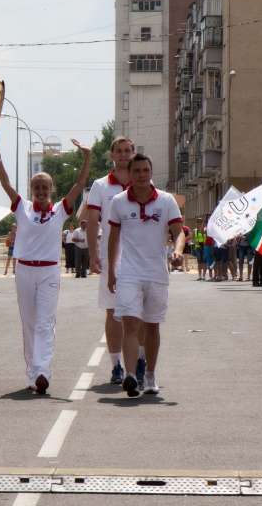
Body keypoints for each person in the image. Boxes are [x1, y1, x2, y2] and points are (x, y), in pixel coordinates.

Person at [0, 138, 91, 394]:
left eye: (45, 187)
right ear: (31, 189)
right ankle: (32, 373)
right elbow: (5, 183)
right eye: (37, 187)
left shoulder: (60, 210)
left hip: (48, 271)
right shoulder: (22, 208)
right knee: (29, 323)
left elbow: (80, 185)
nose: (41, 191)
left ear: (52, 189)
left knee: (45, 323)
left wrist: (87, 157)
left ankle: (43, 372)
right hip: (24, 271)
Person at [106, 154, 185, 397]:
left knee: (151, 326)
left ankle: (149, 374)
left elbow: (178, 231)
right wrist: (111, 271)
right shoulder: (119, 202)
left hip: (156, 272)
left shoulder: (166, 200)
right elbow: (113, 238)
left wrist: (178, 251)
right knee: (130, 323)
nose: (141, 175)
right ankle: (130, 376)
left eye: (145, 170)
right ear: (130, 174)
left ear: (151, 172)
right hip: (129, 272)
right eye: (137, 171)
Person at [86, 136, 137, 384]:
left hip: (140, 257)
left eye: (128, 150)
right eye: (119, 151)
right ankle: (116, 365)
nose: (124, 155)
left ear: (134, 152)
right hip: (111, 256)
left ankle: (138, 361)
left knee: (139, 312)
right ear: (112, 155)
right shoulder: (100, 185)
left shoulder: (142, 182)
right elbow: (93, 221)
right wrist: (93, 254)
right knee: (113, 312)